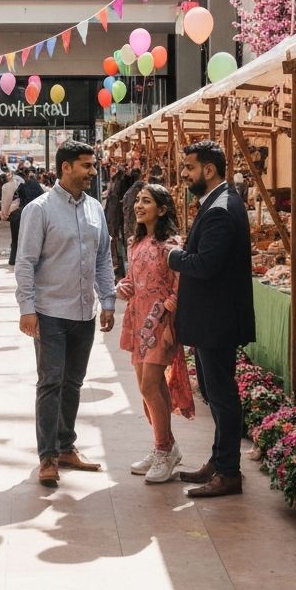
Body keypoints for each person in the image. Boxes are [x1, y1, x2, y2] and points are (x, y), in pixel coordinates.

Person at [15, 140, 116, 489]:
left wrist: (108, 300)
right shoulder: (39, 209)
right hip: (50, 312)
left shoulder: (95, 209)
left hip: (83, 312)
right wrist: (27, 308)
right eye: (86, 165)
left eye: (93, 165)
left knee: (73, 382)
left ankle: (66, 446)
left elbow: (103, 257)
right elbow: (25, 262)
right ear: (66, 167)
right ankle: (47, 456)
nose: (92, 171)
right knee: (50, 382)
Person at [167, 140, 255, 498]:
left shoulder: (220, 208)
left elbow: (205, 264)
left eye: (189, 167)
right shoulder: (218, 202)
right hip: (212, 319)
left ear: (209, 169)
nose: (184, 174)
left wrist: (174, 255)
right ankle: (219, 462)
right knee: (215, 393)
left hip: (216, 320)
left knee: (221, 395)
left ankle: (229, 471)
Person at [116, 184, 194, 484]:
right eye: (137, 200)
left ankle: (164, 449)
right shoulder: (137, 242)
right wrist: (123, 286)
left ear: (161, 209)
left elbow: (180, 286)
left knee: (150, 386)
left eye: (146, 201)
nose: (138, 205)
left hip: (160, 324)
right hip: (138, 322)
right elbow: (132, 278)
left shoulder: (171, 245)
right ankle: (164, 445)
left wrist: (168, 320)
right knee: (147, 387)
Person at [0, 168, 21, 267]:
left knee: (15, 237)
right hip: (24, 211)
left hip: (14, 213)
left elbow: (5, 201)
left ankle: (13, 259)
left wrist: (4, 213)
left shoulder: (6, 186)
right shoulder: (22, 184)